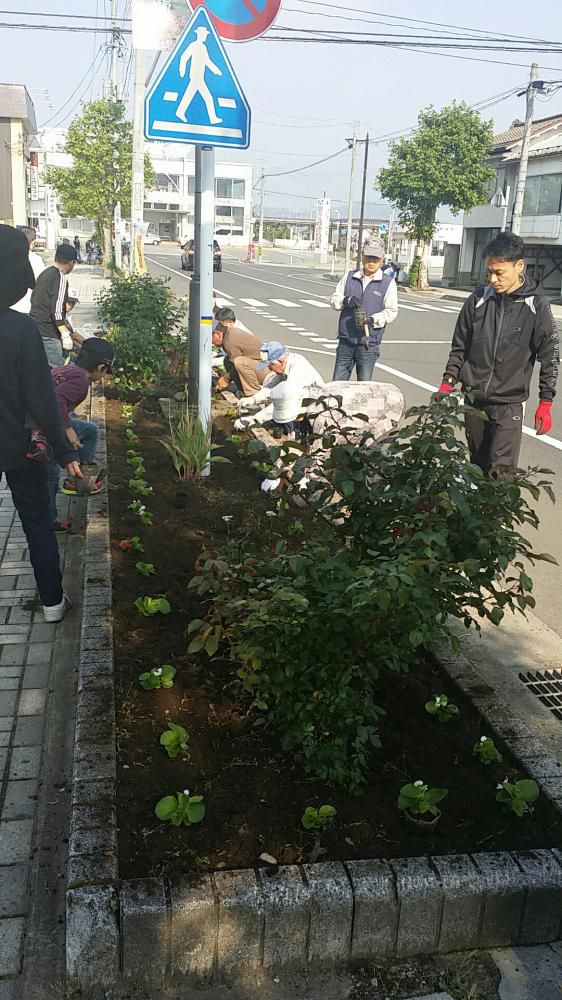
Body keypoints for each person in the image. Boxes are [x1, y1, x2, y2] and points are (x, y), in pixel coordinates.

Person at [0, 224, 81, 623]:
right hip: (19, 445)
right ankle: (51, 602)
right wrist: (65, 451)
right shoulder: (19, 330)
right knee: (35, 521)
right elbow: (42, 398)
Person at [438, 232, 559, 475]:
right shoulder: (477, 300)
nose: (493, 279)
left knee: (501, 473)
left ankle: (498, 513)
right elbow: (459, 347)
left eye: (499, 272)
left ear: (519, 266)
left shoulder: (537, 306)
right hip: (474, 400)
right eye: (489, 272)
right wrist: (447, 384)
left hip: (508, 404)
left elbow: (549, 356)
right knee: (478, 468)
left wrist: (546, 401)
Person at [46, 338, 115, 532]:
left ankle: (78, 478)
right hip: (44, 429)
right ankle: (50, 519)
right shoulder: (81, 381)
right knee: (50, 477)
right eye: (105, 372)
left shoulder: (68, 370)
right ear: (101, 367)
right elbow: (57, 401)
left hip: (45, 422)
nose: (104, 376)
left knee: (90, 430)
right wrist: (68, 430)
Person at [330, 236, 398, 381]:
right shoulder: (350, 277)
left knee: (364, 389)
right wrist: (345, 300)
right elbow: (334, 300)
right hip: (346, 342)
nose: (371, 262)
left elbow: (392, 311)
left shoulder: (387, 283)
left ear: (382, 259)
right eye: (368, 257)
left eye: (376, 258)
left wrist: (374, 319)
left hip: (368, 344)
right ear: (362, 257)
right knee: (337, 386)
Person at [234, 341, 325, 435]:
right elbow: (271, 386)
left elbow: (283, 400)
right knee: (269, 378)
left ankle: (294, 431)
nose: (269, 369)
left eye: (270, 365)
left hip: (314, 404)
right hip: (298, 398)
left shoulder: (297, 371)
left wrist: (255, 419)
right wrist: (253, 399)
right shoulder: (286, 363)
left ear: (281, 362)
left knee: (284, 415)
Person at [30, 242, 77, 366]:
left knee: (40, 368)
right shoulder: (60, 277)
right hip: (48, 331)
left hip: (35, 328)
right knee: (57, 372)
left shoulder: (45, 274)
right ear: (71, 263)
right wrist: (64, 332)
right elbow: (56, 308)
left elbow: (34, 299)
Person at [212, 307, 267, 397]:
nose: (213, 344)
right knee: (227, 360)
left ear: (217, 333)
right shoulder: (229, 334)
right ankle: (242, 389)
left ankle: (253, 393)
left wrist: (225, 379)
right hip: (256, 366)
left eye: (212, 339)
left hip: (264, 370)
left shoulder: (230, 340)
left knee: (238, 362)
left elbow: (236, 364)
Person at [11, 226, 45, 313]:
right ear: (32, 241)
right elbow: (41, 284)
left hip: (7, 307)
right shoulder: (35, 259)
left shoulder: (7, 255)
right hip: (27, 307)